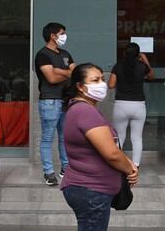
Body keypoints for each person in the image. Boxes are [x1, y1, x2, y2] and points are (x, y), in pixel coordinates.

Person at [61, 63, 138, 231]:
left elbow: (108, 146)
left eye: (103, 79)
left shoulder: (82, 109)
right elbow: (111, 153)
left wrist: (128, 162)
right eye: (95, 80)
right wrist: (130, 170)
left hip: (89, 189)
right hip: (91, 190)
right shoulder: (85, 111)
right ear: (80, 87)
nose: (102, 84)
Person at [34, 22, 75, 185]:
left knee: (65, 137)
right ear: (53, 35)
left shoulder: (65, 53)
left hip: (66, 100)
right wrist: (66, 73)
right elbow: (51, 78)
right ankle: (49, 172)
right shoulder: (42, 54)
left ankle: (66, 169)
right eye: (62, 33)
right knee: (47, 138)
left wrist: (58, 71)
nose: (64, 36)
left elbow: (76, 72)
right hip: (49, 101)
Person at [108, 43, 154, 168]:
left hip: (121, 105)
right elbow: (151, 76)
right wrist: (145, 60)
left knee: (119, 136)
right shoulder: (142, 66)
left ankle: (117, 163)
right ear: (138, 54)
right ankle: (136, 165)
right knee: (137, 137)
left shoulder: (118, 66)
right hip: (139, 105)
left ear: (124, 53)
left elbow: (111, 85)